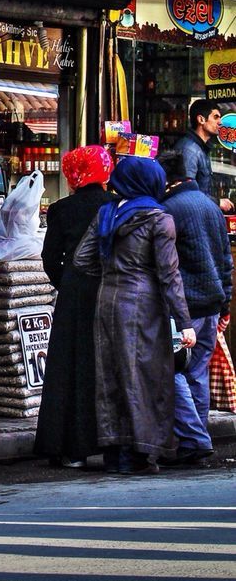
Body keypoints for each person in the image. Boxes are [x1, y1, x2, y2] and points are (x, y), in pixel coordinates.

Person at [73, 156, 195, 474]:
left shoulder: (106, 213)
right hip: (143, 306)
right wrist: (184, 323)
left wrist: (112, 271)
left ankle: (115, 453)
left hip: (106, 300)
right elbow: (170, 275)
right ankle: (141, 454)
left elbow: (81, 260)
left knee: (109, 376)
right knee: (145, 378)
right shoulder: (159, 219)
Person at [34, 144, 113, 469]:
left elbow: (49, 258)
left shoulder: (61, 209)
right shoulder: (116, 205)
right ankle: (110, 443)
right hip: (109, 292)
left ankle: (69, 448)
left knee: (68, 368)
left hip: (73, 294)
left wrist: (65, 283)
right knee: (104, 366)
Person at [160, 150, 233, 465]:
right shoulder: (209, 205)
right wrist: (226, 298)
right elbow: (224, 258)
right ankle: (197, 437)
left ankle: (193, 439)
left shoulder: (168, 210)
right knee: (198, 371)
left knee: (176, 370)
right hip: (211, 302)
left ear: (165, 180)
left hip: (185, 307)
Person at [173, 99, 234, 214]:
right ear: (201, 119)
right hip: (190, 215)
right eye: (216, 117)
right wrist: (217, 202)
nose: (220, 122)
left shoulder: (200, 147)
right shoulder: (189, 149)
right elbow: (186, 191)